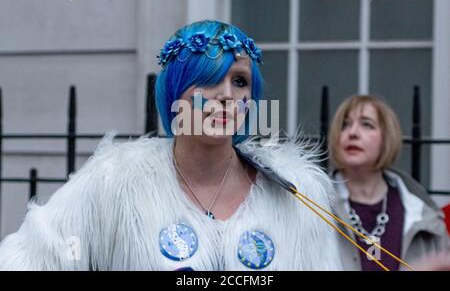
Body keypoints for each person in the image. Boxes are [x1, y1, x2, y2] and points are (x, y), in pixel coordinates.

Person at [0, 20, 342, 270]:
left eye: (240, 81)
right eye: (207, 79)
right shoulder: (116, 181)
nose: (226, 95)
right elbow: (28, 258)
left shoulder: (298, 194)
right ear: (174, 92)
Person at [328, 95, 450, 271]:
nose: (352, 132)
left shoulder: (422, 215)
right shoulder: (315, 208)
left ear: (387, 138)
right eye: (344, 125)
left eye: (366, 124)